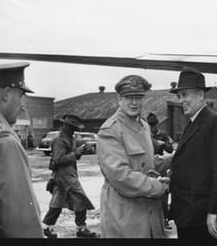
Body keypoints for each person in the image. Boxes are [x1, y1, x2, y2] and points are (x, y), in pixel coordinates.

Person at [97, 75, 171, 238]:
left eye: (138, 97)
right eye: (129, 97)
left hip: (149, 213)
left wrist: (174, 158)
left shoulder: (144, 126)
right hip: (125, 217)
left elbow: (147, 163)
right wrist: (159, 187)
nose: (134, 102)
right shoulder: (110, 130)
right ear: (119, 99)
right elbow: (121, 177)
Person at [169, 69, 217, 239]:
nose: (182, 100)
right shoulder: (193, 123)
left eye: (185, 95)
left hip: (202, 216)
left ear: (200, 95)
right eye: (180, 96)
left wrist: (214, 211)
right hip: (187, 214)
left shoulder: (215, 121)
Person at [0, 62, 44, 237]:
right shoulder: (4, 142)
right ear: (6, 94)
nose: (22, 106)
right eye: (21, 96)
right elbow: (20, 224)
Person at [42, 114, 96, 238]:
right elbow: (58, 159)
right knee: (80, 198)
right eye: (70, 127)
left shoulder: (70, 139)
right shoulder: (59, 141)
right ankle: (81, 228)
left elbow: (72, 156)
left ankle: (47, 227)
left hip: (68, 174)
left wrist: (80, 152)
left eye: (74, 127)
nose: (73, 129)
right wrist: (75, 153)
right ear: (64, 126)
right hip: (63, 175)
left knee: (58, 202)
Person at [147, 112, 174, 229]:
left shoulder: (162, 134)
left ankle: (165, 219)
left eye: (154, 126)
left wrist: (162, 144)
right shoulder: (145, 135)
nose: (153, 128)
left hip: (161, 165)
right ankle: (151, 220)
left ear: (157, 124)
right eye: (150, 126)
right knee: (149, 194)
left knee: (163, 194)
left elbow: (170, 149)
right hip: (148, 167)